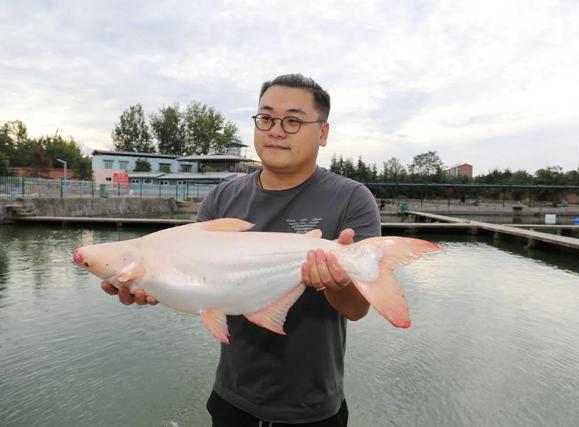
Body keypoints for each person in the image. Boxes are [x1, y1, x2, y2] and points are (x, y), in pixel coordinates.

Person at [102, 74, 381, 426]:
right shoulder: (222, 198)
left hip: (313, 408)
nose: (276, 130)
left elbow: (357, 310)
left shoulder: (351, 199)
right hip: (232, 399)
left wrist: (335, 283)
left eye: (293, 120)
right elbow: (194, 281)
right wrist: (150, 285)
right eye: (265, 118)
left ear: (323, 133)